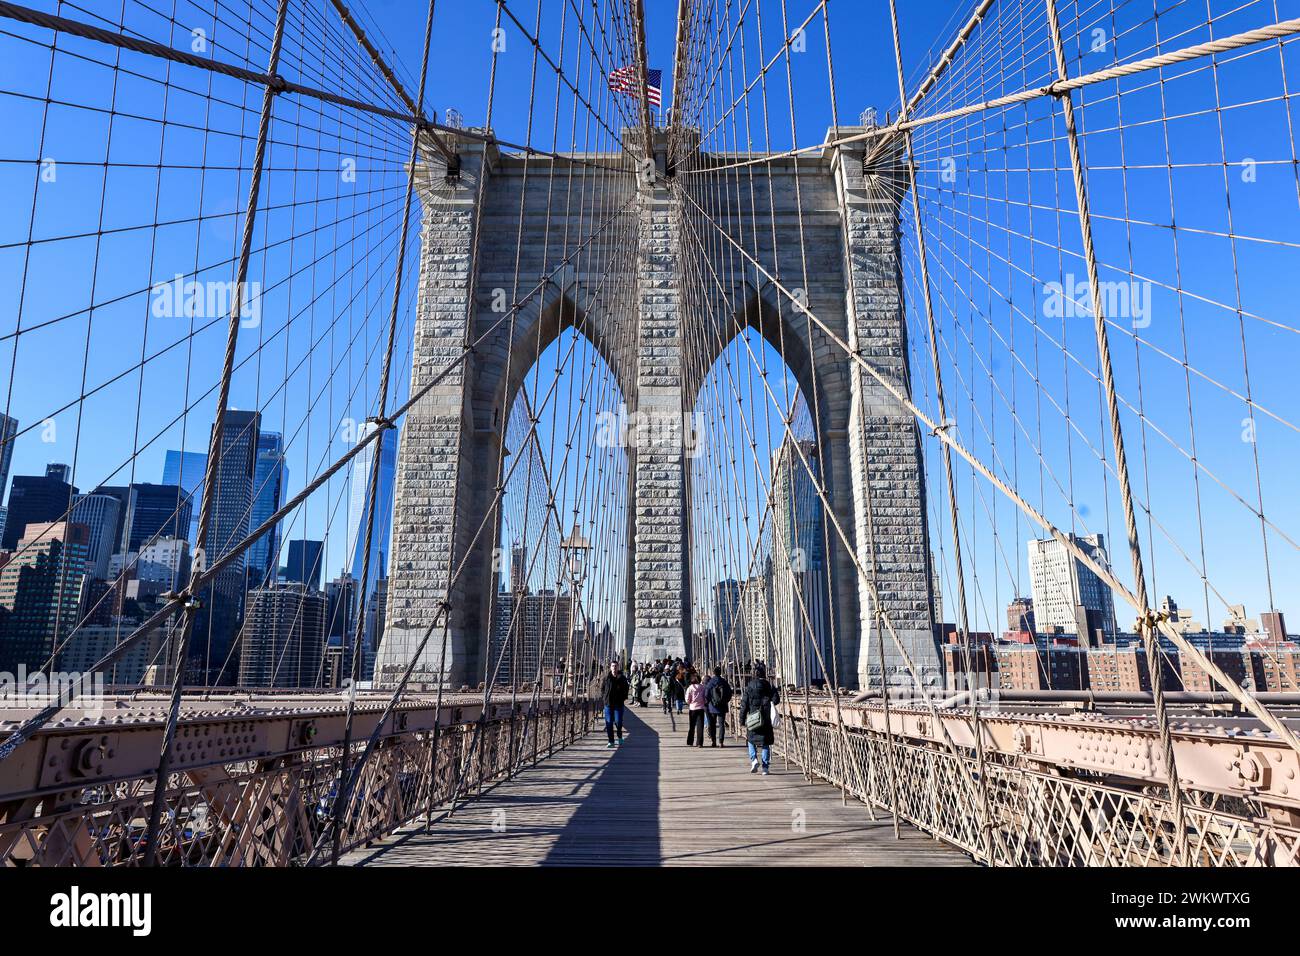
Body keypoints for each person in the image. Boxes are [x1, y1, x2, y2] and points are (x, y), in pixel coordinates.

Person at [738, 662, 780, 774]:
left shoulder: (749, 686)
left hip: (753, 718)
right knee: (766, 742)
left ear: (754, 675)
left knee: (751, 739)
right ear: (764, 674)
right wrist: (773, 691)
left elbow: (744, 704)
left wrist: (741, 719)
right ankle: (765, 768)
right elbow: (776, 700)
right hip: (765, 718)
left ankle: (754, 759)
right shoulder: (768, 685)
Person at [599, 660, 630, 748]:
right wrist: (604, 698)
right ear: (610, 667)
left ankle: (619, 736)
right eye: (613, 666)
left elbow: (626, 689)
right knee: (609, 723)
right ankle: (611, 741)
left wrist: (623, 698)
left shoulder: (622, 678)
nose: (614, 667)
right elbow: (602, 689)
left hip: (618, 704)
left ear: (618, 667)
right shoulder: (606, 678)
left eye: (616, 666)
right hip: (608, 704)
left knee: (618, 722)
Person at [703, 666, 732, 747]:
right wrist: (725, 701)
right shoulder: (724, 682)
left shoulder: (710, 682)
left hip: (712, 706)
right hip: (722, 706)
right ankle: (721, 742)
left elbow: (706, 694)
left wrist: (708, 702)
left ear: (713, 673)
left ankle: (713, 741)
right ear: (720, 673)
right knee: (721, 724)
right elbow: (729, 693)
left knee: (712, 724)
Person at [684, 673, 706, 747]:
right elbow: (705, 697)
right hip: (701, 708)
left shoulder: (690, 688)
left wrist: (689, 702)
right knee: (700, 726)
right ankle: (699, 742)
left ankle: (690, 741)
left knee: (692, 725)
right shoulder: (703, 687)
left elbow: (687, 698)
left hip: (693, 708)